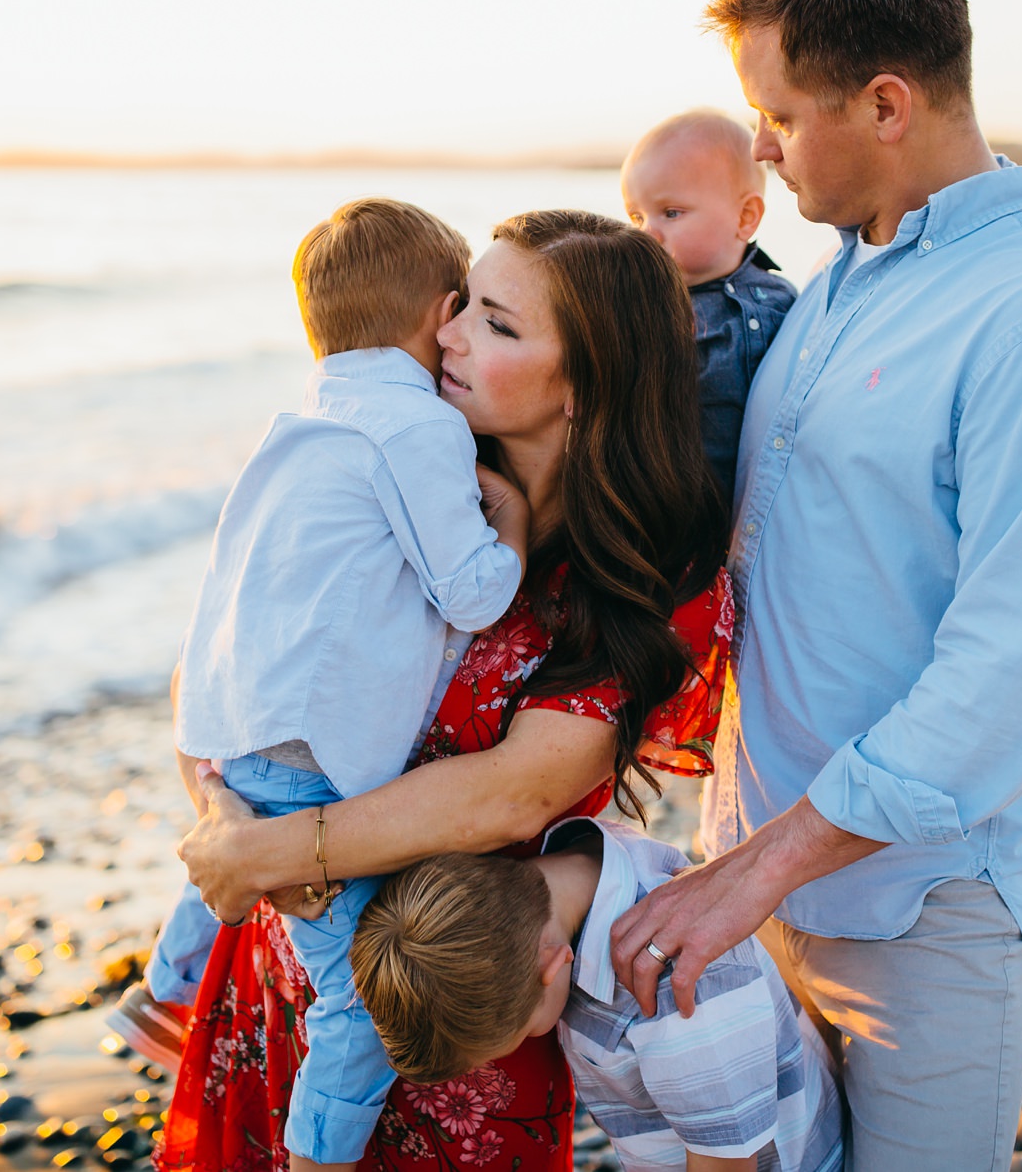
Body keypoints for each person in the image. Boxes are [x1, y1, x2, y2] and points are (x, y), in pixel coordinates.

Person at [609, 0, 1022, 1171]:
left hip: (924, 916)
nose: (758, 146)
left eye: (780, 115)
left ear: (885, 103)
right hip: (747, 879)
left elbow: (1011, 681)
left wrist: (754, 872)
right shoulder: (823, 293)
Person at [156, 209, 735, 1172]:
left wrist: (262, 845)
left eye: (498, 326)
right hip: (282, 944)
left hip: (451, 1022)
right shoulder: (399, 470)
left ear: (587, 387)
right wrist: (218, 811)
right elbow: (223, 660)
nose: (447, 333)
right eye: (463, 304)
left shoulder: (641, 577)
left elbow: (516, 790)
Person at [110, 197, 531, 1170]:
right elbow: (471, 595)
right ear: (439, 313)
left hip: (234, 719)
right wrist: (505, 518)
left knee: (241, 836)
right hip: (319, 752)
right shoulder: (416, 429)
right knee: (355, 999)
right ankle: (316, 1154)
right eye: (467, 309)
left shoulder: (295, 425)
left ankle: (165, 993)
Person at [351, 818, 844, 1172]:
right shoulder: (581, 861)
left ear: (553, 965)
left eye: (519, 1035)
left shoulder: (680, 994)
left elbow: (727, 1165)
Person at [620, 109, 798, 504]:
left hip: (761, 511)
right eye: (636, 216)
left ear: (745, 217)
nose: (648, 233)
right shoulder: (642, 310)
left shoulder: (783, 301)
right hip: (670, 507)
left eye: (670, 213)